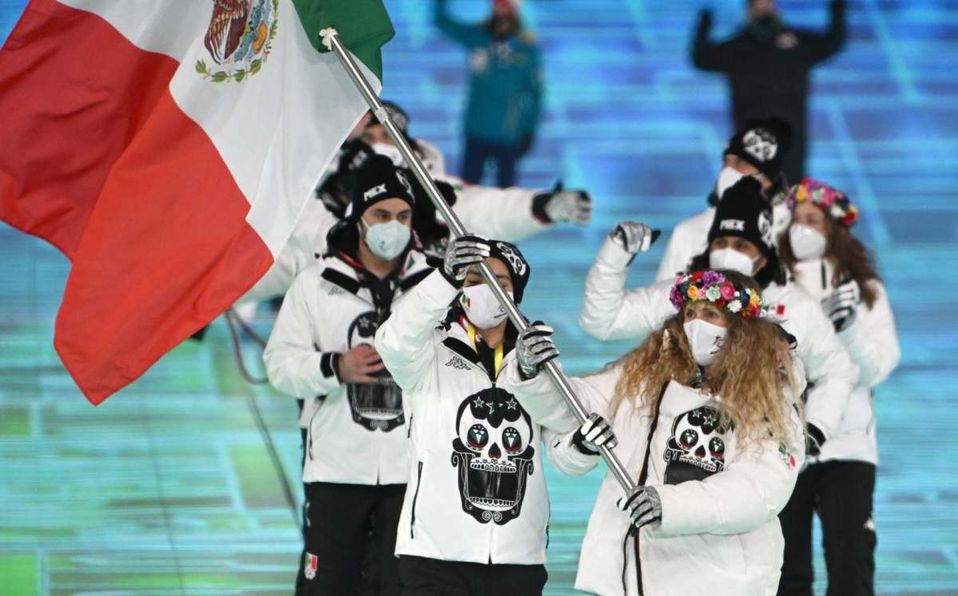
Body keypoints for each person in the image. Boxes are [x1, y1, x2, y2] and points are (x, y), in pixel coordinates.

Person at [508, 269, 806, 594]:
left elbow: (758, 489)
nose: (696, 324)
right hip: (632, 578)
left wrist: (670, 505)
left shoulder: (770, 400)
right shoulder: (648, 377)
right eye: (690, 313)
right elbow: (576, 406)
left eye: (710, 314)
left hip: (717, 583)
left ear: (742, 325)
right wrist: (533, 370)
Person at [580, 177, 858, 463]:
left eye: (741, 244)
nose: (728, 252)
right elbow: (604, 320)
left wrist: (816, 429)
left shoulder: (797, 306)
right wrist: (616, 254)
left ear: (763, 257)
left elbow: (837, 369)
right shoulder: (685, 295)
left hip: (760, 459)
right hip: (681, 455)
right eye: (721, 242)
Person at [263, 155, 432, 595]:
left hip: (413, 472)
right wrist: (335, 367)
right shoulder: (316, 283)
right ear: (359, 218)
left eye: (402, 215)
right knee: (328, 586)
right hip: (336, 472)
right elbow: (279, 365)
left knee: (401, 587)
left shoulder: (435, 288)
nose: (392, 225)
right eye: (380, 215)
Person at [374, 236, 558, 595]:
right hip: (435, 556)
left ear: (516, 294)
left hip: (518, 558)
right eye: (474, 279)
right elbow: (392, 341)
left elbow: (567, 453)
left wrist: (583, 443)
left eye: (499, 283)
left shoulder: (537, 362)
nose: (487, 289)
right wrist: (443, 276)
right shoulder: (429, 352)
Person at [776, 179, 900, 595]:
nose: (802, 229)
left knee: (850, 563)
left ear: (834, 228)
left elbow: (878, 367)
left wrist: (846, 332)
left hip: (848, 444)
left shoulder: (866, 291)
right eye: (796, 220)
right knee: (784, 568)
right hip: (785, 443)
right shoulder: (772, 288)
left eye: (812, 220)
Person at [691, 0, 847, 182]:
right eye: (757, 6)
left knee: (788, 194)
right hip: (750, 141)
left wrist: (838, 6)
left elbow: (833, 42)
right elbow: (701, 58)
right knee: (751, 197)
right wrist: (706, 18)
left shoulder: (798, 43)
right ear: (748, 12)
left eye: (768, 5)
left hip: (790, 139)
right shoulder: (736, 47)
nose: (763, 10)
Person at [656, 118, 793, 282]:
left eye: (740, 163)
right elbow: (664, 300)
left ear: (767, 179)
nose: (729, 170)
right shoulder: (688, 231)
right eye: (725, 161)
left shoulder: (790, 229)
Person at [435, 0, 542, 187]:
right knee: (467, 190)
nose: (501, 16)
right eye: (497, 10)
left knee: (506, 195)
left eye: (506, 11)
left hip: (507, 133)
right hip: (476, 130)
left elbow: (535, 95)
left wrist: (528, 130)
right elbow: (442, 21)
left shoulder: (526, 51)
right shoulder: (478, 38)